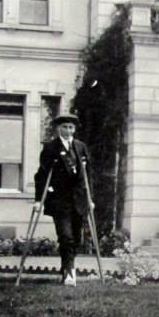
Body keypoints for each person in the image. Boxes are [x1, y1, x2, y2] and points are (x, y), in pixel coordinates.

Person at [34, 113, 94, 286]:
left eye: (71, 127)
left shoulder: (81, 147)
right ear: (58, 129)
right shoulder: (50, 148)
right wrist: (39, 200)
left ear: (74, 129)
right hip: (59, 200)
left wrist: (91, 198)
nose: (68, 131)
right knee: (65, 236)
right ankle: (69, 272)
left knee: (75, 238)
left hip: (79, 200)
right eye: (64, 127)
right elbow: (42, 175)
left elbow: (88, 175)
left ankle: (66, 267)